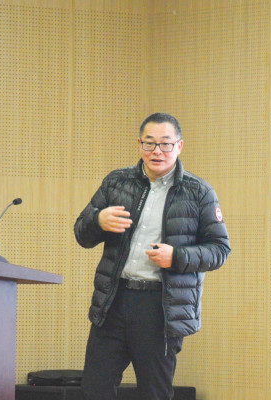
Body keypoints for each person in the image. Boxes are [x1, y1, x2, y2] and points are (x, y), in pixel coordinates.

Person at [74, 112, 231, 400]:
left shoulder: (199, 192)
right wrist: (98, 220)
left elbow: (220, 249)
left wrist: (178, 256)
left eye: (165, 144)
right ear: (139, 144)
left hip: (160, 307)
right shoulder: (116, 182)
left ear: (179, 146)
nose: (157, 151)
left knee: (154, 393)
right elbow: (82, 233)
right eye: (149, 143)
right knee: (94, 389)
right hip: (113, 301)